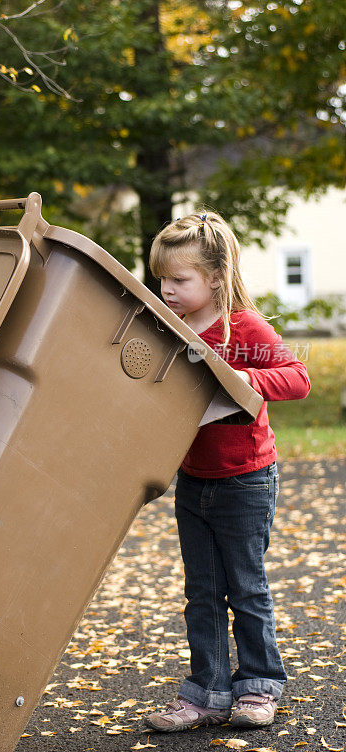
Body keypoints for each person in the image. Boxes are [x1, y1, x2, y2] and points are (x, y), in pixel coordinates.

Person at [144, 210, 311, 733]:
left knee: (246, 588)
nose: (166, 289)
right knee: (202, 590)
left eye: (179, 280)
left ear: (214, 278)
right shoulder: (167, 325)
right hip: (193, 478)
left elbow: (297, 377)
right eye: (161, 279)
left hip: (245, 479)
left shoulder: (242, 325)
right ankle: (209, 691)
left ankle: (259, 685)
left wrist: (244, 378)